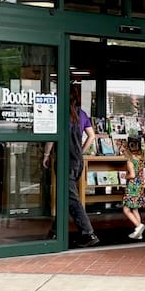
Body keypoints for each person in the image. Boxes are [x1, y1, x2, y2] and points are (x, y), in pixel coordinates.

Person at [43, 89, 99, 248]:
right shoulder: (81, 114)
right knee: (66, 196)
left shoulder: (60, 114)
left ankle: (88, 233)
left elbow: (52, 138)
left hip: (65, 161)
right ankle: (55, 230)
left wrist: (46, 155)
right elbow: (92, 136)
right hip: (78, 161)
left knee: (71, 198)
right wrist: (81, 150)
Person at [121, 135, 145, 240]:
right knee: (135, 209)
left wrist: (124, 176)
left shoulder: (130, 161)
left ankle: (139, 226)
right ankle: (138, 233)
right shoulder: (140, 159)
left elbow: (132, 175)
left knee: (126, 209)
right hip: (140, 185)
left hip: (132, 186)